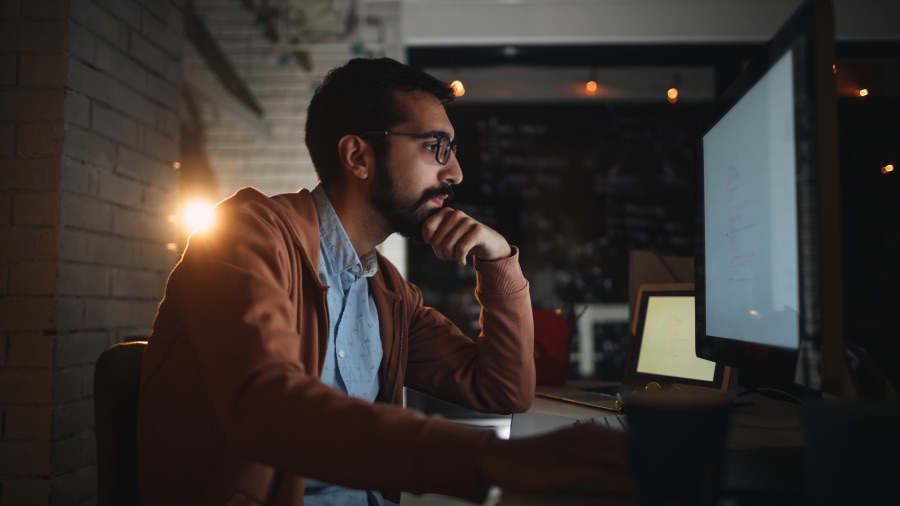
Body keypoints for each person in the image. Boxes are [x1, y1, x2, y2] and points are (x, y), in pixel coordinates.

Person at [137, 57, 629, 505]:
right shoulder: (245, 238)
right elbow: (266, 406)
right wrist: (488, 458)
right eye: (436, 147)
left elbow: (502, 391)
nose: (455, 172)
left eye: (452, 150)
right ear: (358, 156)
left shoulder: (387, 292)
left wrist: (498, 261)